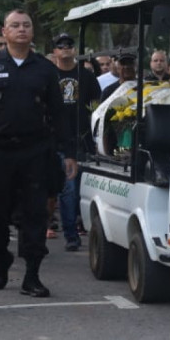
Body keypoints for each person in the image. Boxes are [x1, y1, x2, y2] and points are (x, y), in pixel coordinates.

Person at [0, 9, 76, 296]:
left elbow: (58, 113)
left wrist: (69, 152)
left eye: (26, 25)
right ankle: (0, 261)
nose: (21, 29)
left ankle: (32, 275)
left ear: (32, 31)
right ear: (4, 32)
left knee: (34, 215)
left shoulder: (45, 68)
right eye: (15, 25)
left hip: (35, 151)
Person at [52, 31, 101, 251]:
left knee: (84, 189)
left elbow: (97, 105)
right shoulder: (49, 74)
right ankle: (71, 235)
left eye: (69, 45)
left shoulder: (86, 76)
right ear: (54, 51)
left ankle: (87, 231)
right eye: (60, 46)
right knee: (68, 189)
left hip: (83, 139)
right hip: (58, 141)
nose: (65, 49)